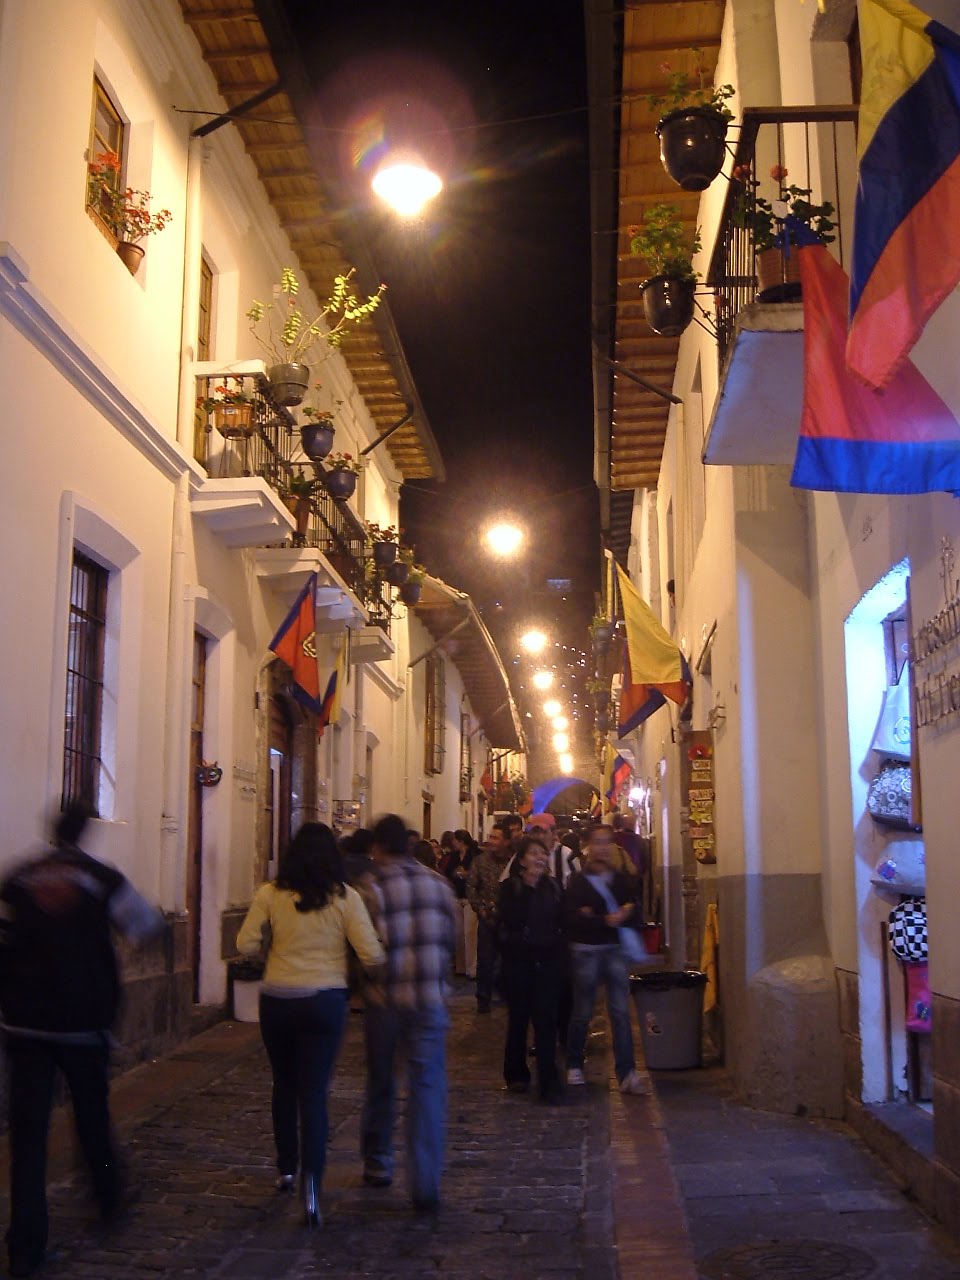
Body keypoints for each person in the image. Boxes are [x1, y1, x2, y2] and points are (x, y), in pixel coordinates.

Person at [0, 802, 164, 1278]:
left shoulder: (18, 878)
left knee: (27, 1137)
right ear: (86, 832)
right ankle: (108, 1197)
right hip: (82, 1024)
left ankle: (25, 1248)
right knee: (92, 1116)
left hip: (24, 1024)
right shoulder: (102, 880)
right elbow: (146, 928)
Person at [237, 822, 385, 1227]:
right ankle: (313, 1187)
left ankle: (286, 1166)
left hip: (279, 999)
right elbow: (370, 953)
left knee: (283, 1083)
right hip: (325, 1000)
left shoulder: (269, 894)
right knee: (314, 1093)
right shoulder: (345, 898)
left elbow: (244, 944)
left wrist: (273, 944)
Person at [361, 814, 457, 1211]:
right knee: (427, 1087)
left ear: (378, 848)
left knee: (382, 1080)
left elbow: (365, 948)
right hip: (430, 998)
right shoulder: (440, 884)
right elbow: (451, 939)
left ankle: (379, 1161)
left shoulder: (371, 888)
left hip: (385, 1000)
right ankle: (426, 1181)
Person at [564, 824, 647, 1096]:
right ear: (589, 845)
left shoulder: (620, 879)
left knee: (621, 1012)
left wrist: (607, 915)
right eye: (598, 842)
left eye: (607, 842)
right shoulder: (577, 881)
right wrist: (606, 920)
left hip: (614, 949)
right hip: (586, 950)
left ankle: (627, 1073)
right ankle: (574, 1064)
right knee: (583, 1011)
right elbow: (572, 918)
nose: (602, 847)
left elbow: (634, 909)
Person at [498, 837, 565, 1103]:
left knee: (547, 1021)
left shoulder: (555, 887)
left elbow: (563, 921)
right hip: (519, 961)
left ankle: (548, 1079)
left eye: (543, 853)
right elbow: (510, 920)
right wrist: (528, 887)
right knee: (518, 1019)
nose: (540, 857)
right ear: (522, 859)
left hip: (548, 961)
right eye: (534, 853)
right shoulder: (510, 888)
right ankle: (516, 1074)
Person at [466, 821, 513, 1013]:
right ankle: (483, 998)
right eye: (490, 837)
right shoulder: (480, 861)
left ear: (507, 841)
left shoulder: (513, 862)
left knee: (509, 960)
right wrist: (480, 909)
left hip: (509, 920)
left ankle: (507, 994)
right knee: (485, 960)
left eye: (495, 838)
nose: (491, 841)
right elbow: (471, 887)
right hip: (487, 919)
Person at [444, 830, 478, 977]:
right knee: (458, 933)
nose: (453, 843)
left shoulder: (474, 855)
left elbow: (476, 873)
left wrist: (466, 874)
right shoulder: (453, 856)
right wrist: (455, 872)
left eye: (455, 840)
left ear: (461, 841)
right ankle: (461, 967)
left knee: (469, 932)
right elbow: (448, 872)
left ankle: (472, 968)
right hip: (457, 895)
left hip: (469, 897)